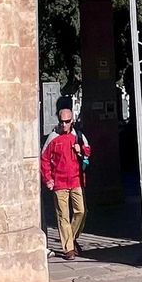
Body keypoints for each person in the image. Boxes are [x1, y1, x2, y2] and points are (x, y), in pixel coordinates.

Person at [40, 106, 91, 260]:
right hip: (59, 182)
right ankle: (69, 249)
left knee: (81, 211)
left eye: (67, 121)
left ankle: (71, 238)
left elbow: (88, 152)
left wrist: (80, 150)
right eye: (61, 121)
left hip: (76, 180)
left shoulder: (78, 136)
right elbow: (44, 159)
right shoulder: (53, 137)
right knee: (63, 215)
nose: (64, 124)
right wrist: (48, 179)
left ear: (72, 121)